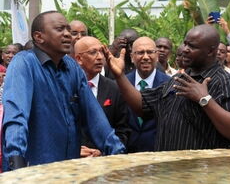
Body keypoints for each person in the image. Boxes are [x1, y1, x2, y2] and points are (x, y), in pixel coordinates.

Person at [2, 11, 125, 171]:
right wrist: (16, 164)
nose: (68, 34)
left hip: (68, 170)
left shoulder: (73, 68)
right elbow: (16, 117)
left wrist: (118, 153)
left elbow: (94, 116)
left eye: (68, 29)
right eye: (60, 29)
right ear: (39, 37)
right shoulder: (24, 64)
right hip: (33, 171)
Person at [104, 24, 230, 151]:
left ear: (211, 51)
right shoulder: (179, 78)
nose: (184, 49)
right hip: (168, 169)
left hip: (199, 170)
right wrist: (120, 75)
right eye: (185, 44)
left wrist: (204, 99)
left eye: (192, 46)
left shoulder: (223, 81)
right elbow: (143, 106)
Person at [74, 36, 131, 157]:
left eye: (101, 52)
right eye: (93, 52)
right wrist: (73, 150)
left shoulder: (115, 89)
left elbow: (123, 131)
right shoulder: (67, 88)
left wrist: (103, 153)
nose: (100, 57)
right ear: (79, 59)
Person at [126, 37, 170, 152]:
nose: (145, 57)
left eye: (150, 52)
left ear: (156, 56)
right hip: (125, 157)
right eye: (140, 52)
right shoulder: (120, 85)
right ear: (132, 57)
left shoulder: (170, 85)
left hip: (158, 155)